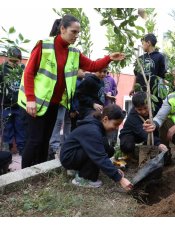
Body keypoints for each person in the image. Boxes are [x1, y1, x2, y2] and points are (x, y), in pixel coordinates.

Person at [18, 14, 125, 168]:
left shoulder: (74, 52)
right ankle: (24, 174)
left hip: (53, 104)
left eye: (78, 33)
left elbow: (93, 66)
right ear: (62, 29)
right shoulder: (44, 45)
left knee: (45, 139)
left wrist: (109, 58)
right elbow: (28, 72)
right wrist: (30, 99)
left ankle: (38, 173)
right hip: (36, 103)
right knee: (34, 140)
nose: (76, 36)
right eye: (73, 32)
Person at [60, 104, 133, 190]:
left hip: (74, 154)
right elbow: (100, 157)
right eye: (116, 124)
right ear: (105, 119)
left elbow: (106, 150)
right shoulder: (92, 130)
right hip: (69, 158)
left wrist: (113, 169)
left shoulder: (98, 126)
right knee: (96, 152)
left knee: (105, 149)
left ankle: (77, 170)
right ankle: (83, 178)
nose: (116, 128)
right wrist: (120, 179)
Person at [119, 91, 168, 161]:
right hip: (131, 134)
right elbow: (142, 132)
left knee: (153, 129)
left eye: (145, 108)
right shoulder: (132, 117)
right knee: (127, 145)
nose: (143, 111)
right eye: (139, 109)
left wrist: (158, 143)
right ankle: (130, 155)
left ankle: (148, 151)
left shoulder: (153, 109)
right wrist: (159, 144)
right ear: (135, 108)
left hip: (144, 133)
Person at [130, 33, 167, 116]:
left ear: (148, 43)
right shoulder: (140, 58)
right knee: (138, 113)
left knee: (153, 114)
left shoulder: (160, 57)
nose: (142, 46)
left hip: (153, 94)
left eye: (143, 43)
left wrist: (163, 92)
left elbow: (162, 76)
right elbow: (136, 75)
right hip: (140, 92)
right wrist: (133, 88)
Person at [0, 46, 26, 155]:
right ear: (7, 58)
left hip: (19, 106)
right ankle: (6, 153)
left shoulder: (23, 69)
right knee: (7, 130)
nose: (14, 63)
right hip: (6, 106)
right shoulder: (2, 69)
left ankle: (23, 151)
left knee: (21, 130)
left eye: (17, 61)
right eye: (12, 61)